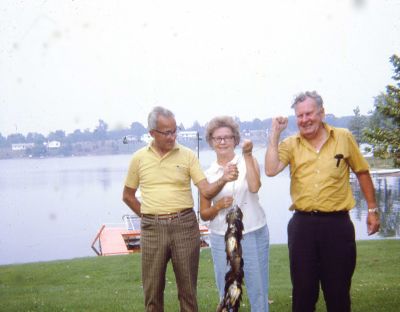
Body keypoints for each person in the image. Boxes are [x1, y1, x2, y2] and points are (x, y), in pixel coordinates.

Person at [265, 91, 380, 312]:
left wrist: (373, 209)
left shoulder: (344, 137)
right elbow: (270, 170)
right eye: (299, 116)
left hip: (337, 226)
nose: (304, 120)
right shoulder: (290, 144)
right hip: (303, 227)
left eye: (309, 113)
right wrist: (275, 135)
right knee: (303, 294)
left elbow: (362, 172)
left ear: (322, 113)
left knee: (338, 293)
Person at [122, 106, 238, 312]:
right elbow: (128, 196)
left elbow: (207, 191)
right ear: (152, 134)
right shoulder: (139, 158)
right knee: (152, 293)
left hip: (185, 227)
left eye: (175, 130)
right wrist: (149, 216)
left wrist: (223, 179)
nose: (173, 136)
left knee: (188, 292)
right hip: (152, 230)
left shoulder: (188, 155)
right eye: (167, 132)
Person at [200, 116, 270, 312]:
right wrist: (218, 205)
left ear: (235, 140)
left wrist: (247, 155)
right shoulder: (208, 174)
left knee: (258, 290)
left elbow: (255, 187)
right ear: (211, 141)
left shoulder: (248, 160)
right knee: (227, 290)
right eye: (217, 138)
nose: (223, 142)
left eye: (228, 137)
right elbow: (205, 213)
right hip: (221, 237)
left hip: (253, 233)